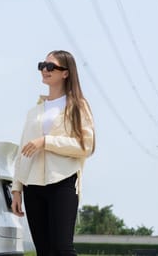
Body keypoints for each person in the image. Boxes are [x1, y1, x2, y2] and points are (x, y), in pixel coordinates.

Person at [11, 50, 95, 256]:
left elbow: (86, 146)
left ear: (65, 73)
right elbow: (23, 151)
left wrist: (46, 142)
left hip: (63, 182)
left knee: (62, 249)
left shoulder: (77, 106)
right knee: (44, 251)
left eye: (50, 66)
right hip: (32, 187)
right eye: (42, 65)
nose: (44, 70)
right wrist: (16, 189)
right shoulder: (34, 112)